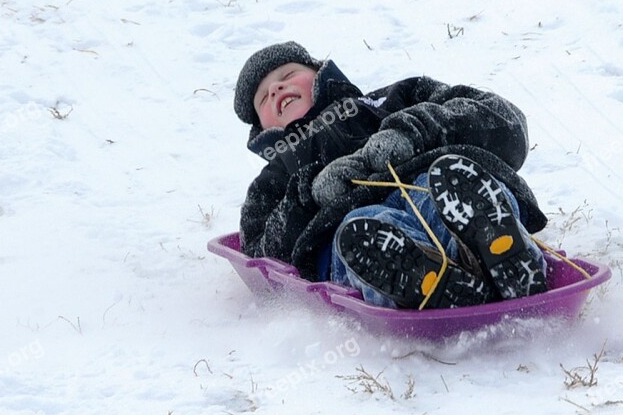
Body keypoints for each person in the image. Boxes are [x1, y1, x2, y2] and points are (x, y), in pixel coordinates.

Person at [234, 41, 548, 310]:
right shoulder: (275, 178)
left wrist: (414, 130)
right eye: (263, 97)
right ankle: (434, 283)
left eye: (287, 75)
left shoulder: (394, 99)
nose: (276, 88)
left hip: (428, 186)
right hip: (353, 226)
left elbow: (504, 121)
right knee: (364, 231)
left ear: (321, 75)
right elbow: (260, 255)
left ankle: (500, 254)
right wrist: (309, 194)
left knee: (451, 186)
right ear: (262, 131)